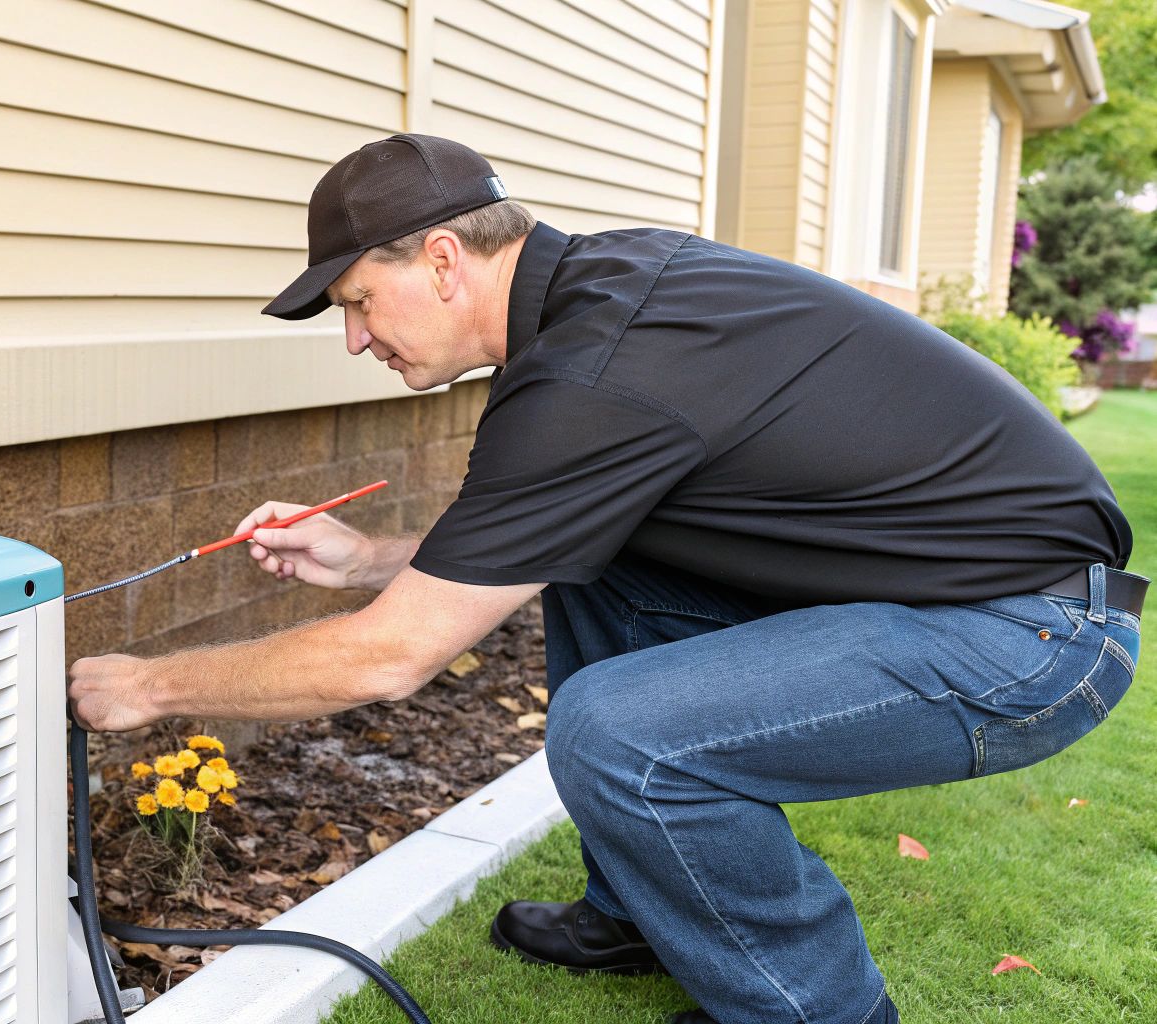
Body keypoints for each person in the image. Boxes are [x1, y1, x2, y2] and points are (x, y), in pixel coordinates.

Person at [67, 134, 1143, 1024]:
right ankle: (641, 907)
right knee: (593, 569)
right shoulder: (598, 302)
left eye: (356, 301)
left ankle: (814, 1012)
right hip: (966, 597)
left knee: (616, 731)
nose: (354, 340)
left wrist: (145, 687)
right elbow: (512, 547)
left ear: (441, 262)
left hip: (1027, 642)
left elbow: (389, 659)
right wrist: (363, 558)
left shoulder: (592, 372)